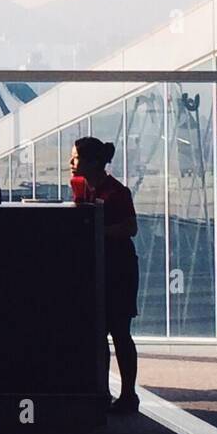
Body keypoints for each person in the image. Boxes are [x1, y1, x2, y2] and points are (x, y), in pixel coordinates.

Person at [70, 136, 140, 414]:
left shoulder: (117, 192)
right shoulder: (79, 186)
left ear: (93, 162)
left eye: (75, 157)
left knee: (120, 332)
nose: (70, 163)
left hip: (118, 268)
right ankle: (101, 390)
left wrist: (95, 230)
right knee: (97, 332)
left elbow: (130, 228)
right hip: (96, 266)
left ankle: (128, 394)